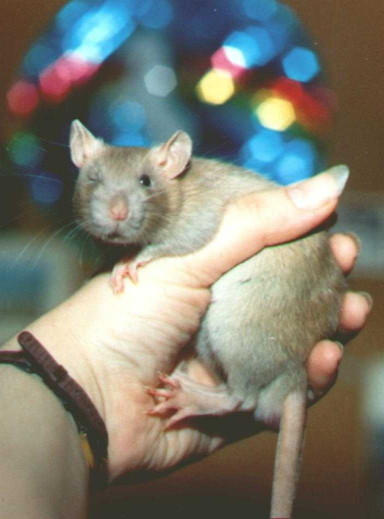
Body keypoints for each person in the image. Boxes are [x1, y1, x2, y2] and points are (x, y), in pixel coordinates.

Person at [0, 169, 371, 519]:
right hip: (264, 339)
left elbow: (198, 229)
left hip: (262, 321)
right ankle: (240, 393)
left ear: (172, 162)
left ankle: (235, 397)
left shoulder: (190, 190)